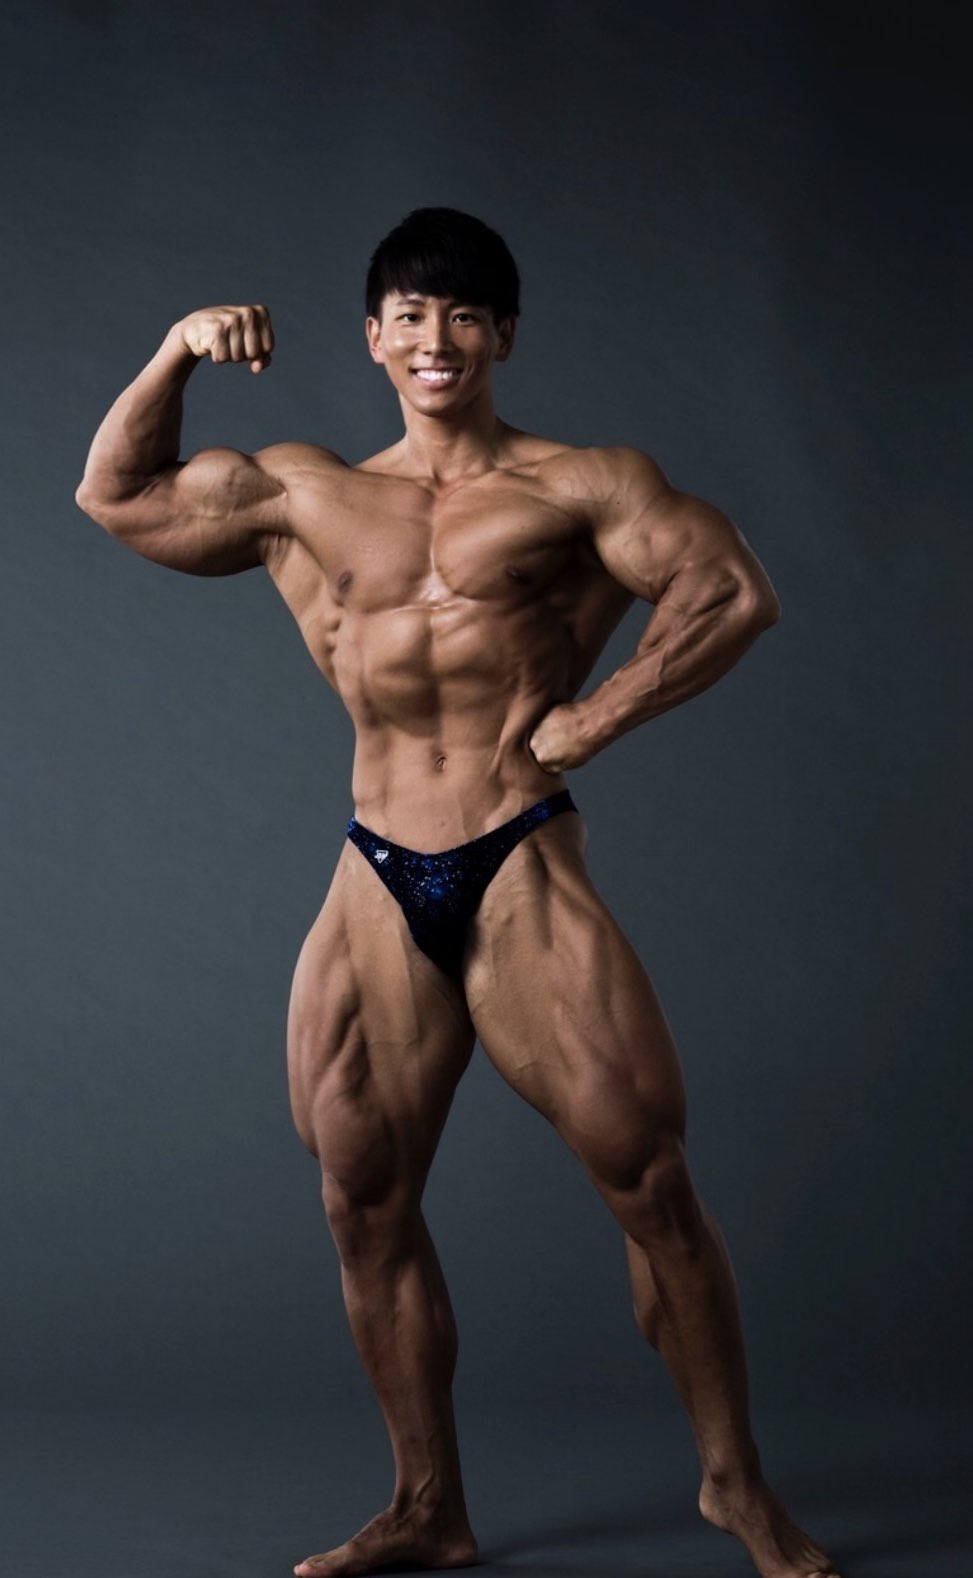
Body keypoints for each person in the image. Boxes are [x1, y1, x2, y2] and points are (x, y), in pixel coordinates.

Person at [75, 207, 838, 1578]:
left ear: (504, 338)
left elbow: (730, 591)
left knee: (649, 1177)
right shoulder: (303, 492)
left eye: (467, 317)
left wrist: (595, 717)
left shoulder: (579, 484)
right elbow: (116, 496)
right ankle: (428, 1504)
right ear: (375, 338)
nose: (439, 340)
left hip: (517, 852)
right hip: (375, 868)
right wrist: (177, 350)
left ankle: (735, 1485)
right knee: (361, 1198)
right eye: (414, 317)